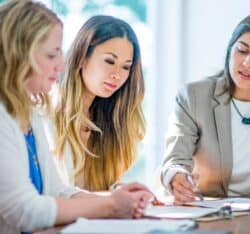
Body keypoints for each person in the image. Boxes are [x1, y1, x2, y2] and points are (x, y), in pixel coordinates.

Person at [0, 1, 153, 233]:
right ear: (18, 54)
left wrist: (117, 198)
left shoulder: (29, 113)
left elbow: (57, 190)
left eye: (126, 67)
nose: (62, 65)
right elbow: (24, 210)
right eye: (52, 54)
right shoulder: (14, 117)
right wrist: (110, 204)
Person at [160, 12, 250, 204]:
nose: (247, 63)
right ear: (230, 50)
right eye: (242, 51)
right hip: (208, 209)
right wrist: (177, 177)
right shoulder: (193, 96)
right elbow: (175, 160)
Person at [45, 15, 146, 191]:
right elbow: (53, 194)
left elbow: (97, 189)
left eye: (126, 67)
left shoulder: (109, 121)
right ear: (82, 57)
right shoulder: (46, 114)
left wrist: (120, 190)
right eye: (109, 61)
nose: (117, 74)